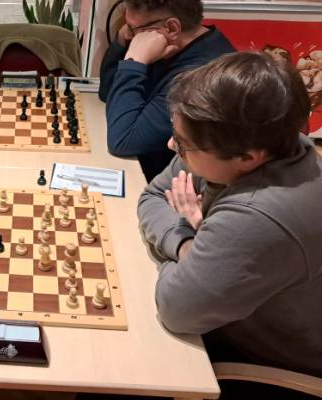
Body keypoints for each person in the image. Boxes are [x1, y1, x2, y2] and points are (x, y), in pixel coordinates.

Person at [138, 52, 322, 380]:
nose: (171, 146)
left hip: (270, 368)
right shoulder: (240, 138)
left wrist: (197, 238)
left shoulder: (257, 216)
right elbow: (153, 197)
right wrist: (186, 244)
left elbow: (176, 309)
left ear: (248, 158)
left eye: (182, 144)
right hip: (221, 319)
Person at [98, 0, 235, 182]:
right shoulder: (173, 47)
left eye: (133, 28)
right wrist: (121, 42)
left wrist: (134, 61)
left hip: (164, 186)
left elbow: (123, 140)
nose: (131, 36)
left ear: (171, 28)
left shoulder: (198, 78)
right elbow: (108, 92)